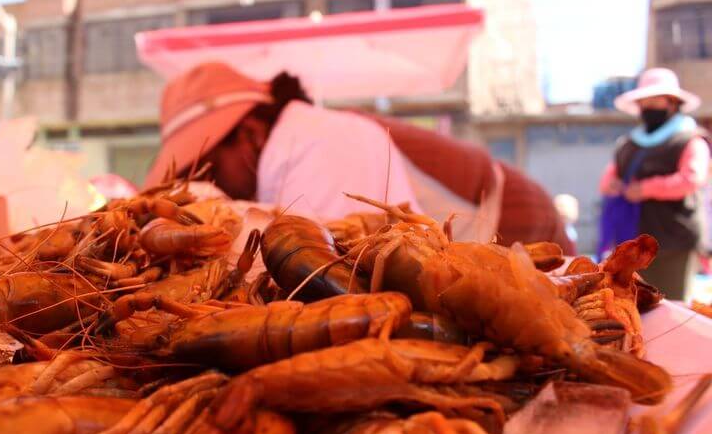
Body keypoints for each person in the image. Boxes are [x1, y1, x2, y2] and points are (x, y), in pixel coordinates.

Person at [145, 61, 572, 251]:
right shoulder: (297, 140)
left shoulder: (318, 138)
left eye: (210, 168)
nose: (212, 184)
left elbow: (332, 262)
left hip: (522, 224)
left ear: (250, 133)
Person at [598, 68, 710, 301]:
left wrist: (646, 189)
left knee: (672, 306)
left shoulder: (690, 139)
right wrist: (615, 186)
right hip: (631, 244)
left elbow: (692, 178)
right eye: (644, 101)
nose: (648, 106)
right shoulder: (628, 144)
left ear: (672, 103)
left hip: (672, 241)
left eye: (654, 100)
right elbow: (607, 180)